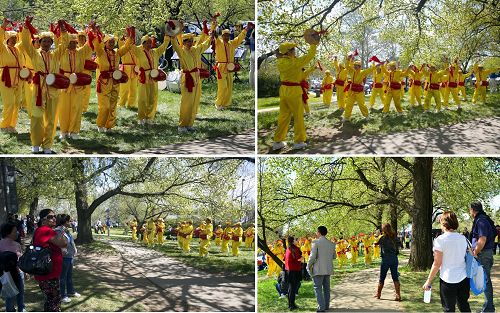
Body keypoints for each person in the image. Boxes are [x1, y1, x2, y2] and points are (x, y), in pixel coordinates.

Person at [21, 17, 69, 154]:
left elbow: (65, 43)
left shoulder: (56, 55)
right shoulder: (34, 54)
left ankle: (47, 145)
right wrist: (26, 26)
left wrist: (63, 29)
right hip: (38, 89)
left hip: (53, 88)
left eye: (49, 41)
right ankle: (35, 143)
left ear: (51, 43)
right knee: (36, 116)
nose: (46, 43)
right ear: (39, 42)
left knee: (52, 118)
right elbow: (25, 42)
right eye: (44, 41)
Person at [272, 40, 317, 151]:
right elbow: (310, 55)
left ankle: (277, 141)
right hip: (294, 90)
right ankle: (299, 141)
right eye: (293, 49)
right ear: (288, 52)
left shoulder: (280, 62)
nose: (295, 51)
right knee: (298, 116)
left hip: (283, 90)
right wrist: (313, 44)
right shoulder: (294, 62)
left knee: (283, 116)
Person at [88, 22, 133, 132]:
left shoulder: (117, 53)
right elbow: (96, 44)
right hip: (104, 82)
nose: (112, 43)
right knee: (105, 106)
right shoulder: (101, 52)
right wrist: (94, 31)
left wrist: (131, 35)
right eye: (110, 42)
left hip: (115, 82)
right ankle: (100, 124)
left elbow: (127, 47)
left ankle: (109, 125)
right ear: (105, 43)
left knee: (113, 105)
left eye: (113, 42)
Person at [423, 211, 470, 312]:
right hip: (463, 277)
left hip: (447, 279)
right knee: (464, 306)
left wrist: (429, 280)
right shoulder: (463, 238)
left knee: (449, 309)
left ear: (444, 223)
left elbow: (437, 263)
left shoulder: (440, 240)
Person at [170, 23, 212, 133]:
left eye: (191, 40)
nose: (190, 42)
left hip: (196, 77)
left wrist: (211, 37)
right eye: (187, 40)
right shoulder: (182, 51)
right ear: (183, 42)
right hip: (187, 77)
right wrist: (173, 35)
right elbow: (174, 44)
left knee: (194, 101)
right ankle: (182, 125)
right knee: (186, 102)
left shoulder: (195, 49)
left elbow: (205, 45)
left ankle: (190, 124)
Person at [57, 33, 92, 140]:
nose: (72, 45)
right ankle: (63, 131)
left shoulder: (81, 52)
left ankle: (74, 131)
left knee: (76, 108)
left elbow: (89, 44)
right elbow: (59, 40)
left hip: (78, 82)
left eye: (74, 43)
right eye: (69, 42)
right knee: (64, 108)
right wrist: (63, 30)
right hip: (65, 82)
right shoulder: (61, 52)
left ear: (77, 43)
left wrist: (92, 32)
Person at [129, 33, 170, 125]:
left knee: (153, 98)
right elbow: (131, 46)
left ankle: (149, 117)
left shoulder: (155, 52)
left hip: (154, 77)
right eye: (147, 43)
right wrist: (131, 34)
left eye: (150, 43)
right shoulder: (139, 52)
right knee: (143, 99)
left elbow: (163, 47)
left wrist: (167, 37)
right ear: (142, 44)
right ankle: (141, 118)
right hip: (144, 77)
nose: (149, 44)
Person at [33, 209, 68, 311]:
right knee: (54, 301)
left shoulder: (41, 230)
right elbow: (64, 243)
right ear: (43, 220)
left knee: (50, 301)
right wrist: (61, 231)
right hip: (48, 274)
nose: (53, 219)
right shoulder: (45, 231)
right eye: (50, 217)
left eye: (54, 216)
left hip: (46, 273)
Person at [213, 22, 251, 110]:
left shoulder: (232, 43)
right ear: (222, 36)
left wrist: (245, 30)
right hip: (221, 68)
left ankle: (226, 103)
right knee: (223, 87)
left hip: (230, 68)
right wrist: (214, 26)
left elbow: (239, 38)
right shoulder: (218, 42)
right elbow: (214, 35)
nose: (226, 37)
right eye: (225, 35)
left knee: (229, 87)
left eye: (228, 35)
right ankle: (218, 104)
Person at [469, 202, 496, 312]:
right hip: (484, 253)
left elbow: (482, 239)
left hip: (483, 254)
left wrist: (475, 251)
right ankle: (488, 307)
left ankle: (489, 308)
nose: (469, 212)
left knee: (485, 280)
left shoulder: (481, 221)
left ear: (473, 210)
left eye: (469, 210)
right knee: (485, 280)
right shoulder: (482, 219)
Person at [0, 19, 23, 134]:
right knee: (8, 103)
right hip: (6, 78)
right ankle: (4, 125)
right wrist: (4, 26)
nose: (14, 40)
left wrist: (26, 28)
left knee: (16, 103)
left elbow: (26, 42)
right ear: (7, 39)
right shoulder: (3, 48)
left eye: (15, 38)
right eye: (12, 38)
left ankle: (12, 125)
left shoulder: (18, 49)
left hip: (18, 79)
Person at [307, 225, 336, 313]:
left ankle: (321, 307)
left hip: (318, 269)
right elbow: (334, 256)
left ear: (319, 232)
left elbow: (312, 257)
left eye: (316, 232)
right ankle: (326, 305)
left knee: (318, 288)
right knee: (326, 288)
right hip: (328, 268)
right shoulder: (331, 244)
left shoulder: (316, 242)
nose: (316, 233)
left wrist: (308, 265)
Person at [55, 214, 81, 303]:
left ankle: (71, 291)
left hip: (70, 257)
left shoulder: (66, 230)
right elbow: (59, 243)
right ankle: (62, 295)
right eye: (69, 221)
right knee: (62, 277)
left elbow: (71, 242)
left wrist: (74, 250)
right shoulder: (59, 231)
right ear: (65, 222)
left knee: (69, 276)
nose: (71, 222)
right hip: (64, 258)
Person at [0, 221, 25, 312]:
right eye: (15, 231)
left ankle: (21, 309)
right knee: (11, 296)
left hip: (17, 273)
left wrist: (24, 272)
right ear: (8, 232)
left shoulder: (17, 244)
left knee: (18, 294)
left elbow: (21, 260)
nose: (17, 233)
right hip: (7, 275)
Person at [374, 223, 401, 302]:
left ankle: (378, 294)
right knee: (395, 277)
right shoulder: (394, 237)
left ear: (383, 230)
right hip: (394, 258)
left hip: (385, 259)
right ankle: (398, 295)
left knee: (382, 277)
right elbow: (400, 245)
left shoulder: (382, 238)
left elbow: (375, 244)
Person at [285, 236, 303, 310]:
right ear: (292, 241)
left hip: (289, 270)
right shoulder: (295, 249)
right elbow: (298, 259)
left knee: (291, 288)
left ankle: (291, 304)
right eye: (296, 239)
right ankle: (291, 305)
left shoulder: (288, 248)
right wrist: (302, 258)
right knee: (292, 289)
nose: (297, 240)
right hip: (294, 271)